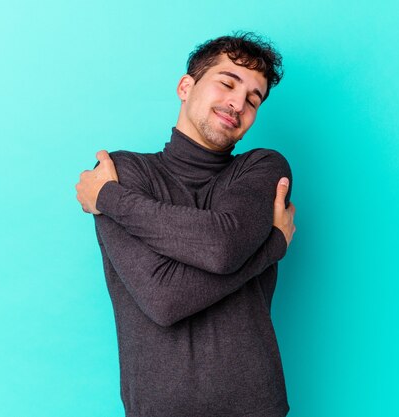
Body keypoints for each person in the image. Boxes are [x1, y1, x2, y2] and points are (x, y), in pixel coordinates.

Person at [75, 32, 296, 417]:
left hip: (258, 407)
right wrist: (271, 246)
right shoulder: (122, 172)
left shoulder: (262, 169)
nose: (237, 103)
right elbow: (165, 301)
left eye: (253, 99)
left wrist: (110, 200)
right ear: (185, 86)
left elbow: (222, 247)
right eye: (227, 83)